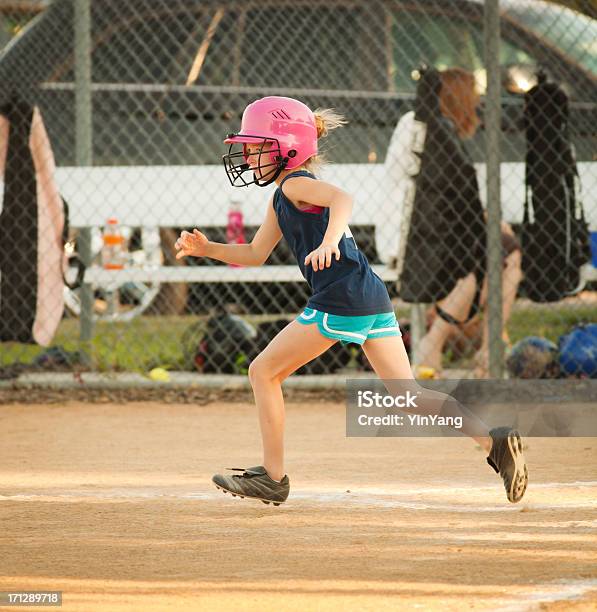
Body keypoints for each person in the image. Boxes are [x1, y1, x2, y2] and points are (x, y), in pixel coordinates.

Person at [174, 96, 528, 505]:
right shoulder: (281, 196)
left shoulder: (295, 183)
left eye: (256, 148)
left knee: (263, 372)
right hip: (367, 294)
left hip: (340, 298)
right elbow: (255, 252)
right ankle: (494, 442)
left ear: (287, 146)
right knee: (409, 397)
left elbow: (343, 199)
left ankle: (272, 477)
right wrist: (209, 249)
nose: (248, 158)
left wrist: (327, 240)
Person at [383, 68, 522, 378]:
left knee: (505, 252)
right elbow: (437, 196)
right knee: (484, 258)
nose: (476, 104)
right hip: (414, 232)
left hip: (434, 228)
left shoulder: (440, 129)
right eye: (472, 97)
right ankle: (444, 344)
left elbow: (455, 198)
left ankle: (489, 346)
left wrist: (490, 223)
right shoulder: (424, 126)